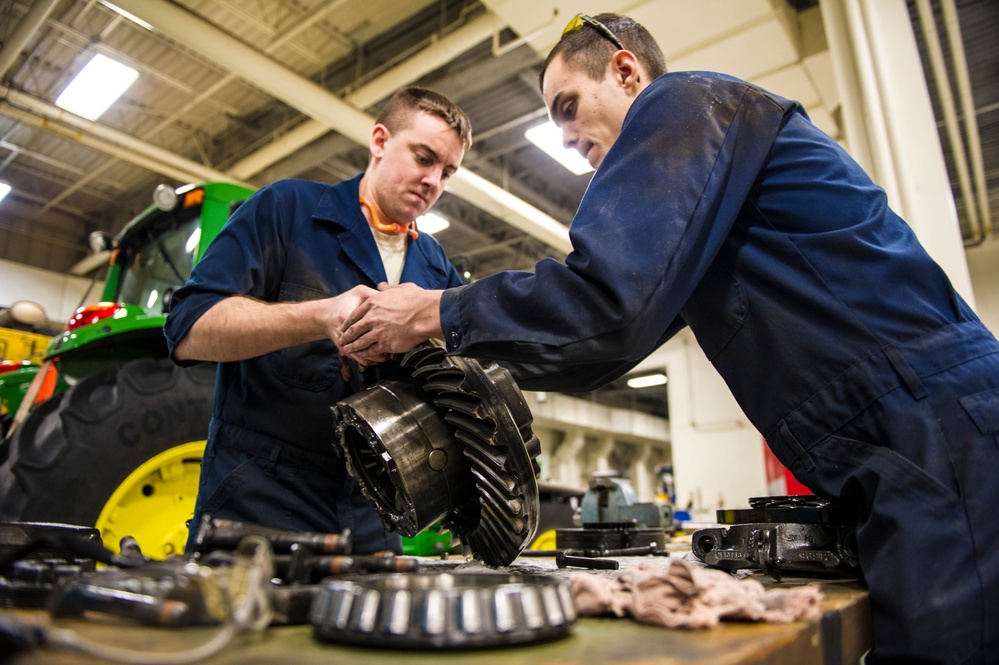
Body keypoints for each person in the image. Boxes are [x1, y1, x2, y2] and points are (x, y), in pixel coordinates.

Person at [339, 13, 999, 665]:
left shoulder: (681, 102)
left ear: (626, 71)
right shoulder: (703, 200)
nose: (566, 137)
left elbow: (606, 305)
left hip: (930, 424)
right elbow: (602, 352)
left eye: (568, 107)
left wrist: (437, 311)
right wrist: (459, 348)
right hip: (904, 437)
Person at [164, 86, 471, 555]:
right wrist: (320, 315)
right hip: (260, 503)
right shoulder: (286, 210)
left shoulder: (435, 269)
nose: (433, 180)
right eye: (423, 157)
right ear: (380, 141)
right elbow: (188, 327)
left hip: (374, 513)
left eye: (447, 172)